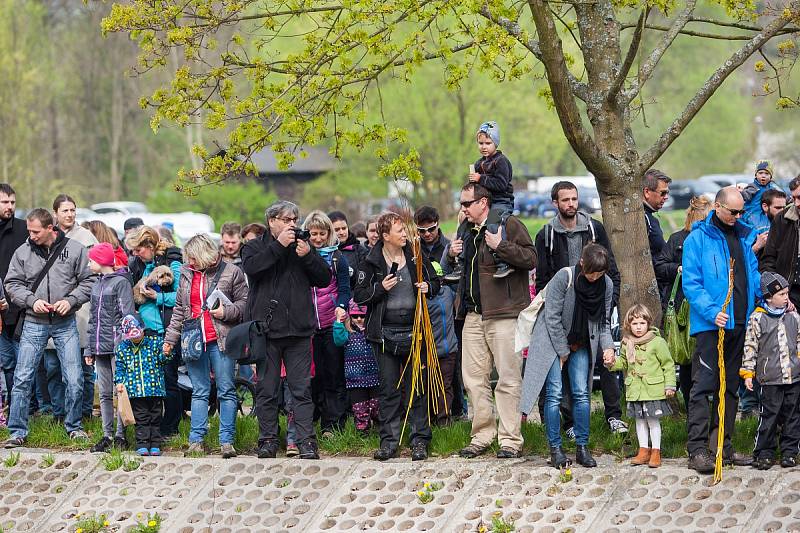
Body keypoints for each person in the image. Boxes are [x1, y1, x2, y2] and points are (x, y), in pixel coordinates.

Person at [241, 200, 331, 460]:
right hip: (267, 332)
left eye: (295, 219)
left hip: (299, 332)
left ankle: (306, 442)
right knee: (267, 390)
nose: (292, 224)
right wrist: (279, 246)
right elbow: (253, 269)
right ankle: (268, 440)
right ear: (272, 221)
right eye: (286, 219)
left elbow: (324, 278)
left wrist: (309, 257)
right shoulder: (254, 247)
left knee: (301, 391)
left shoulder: (302, 246)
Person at [534, 181, 626, 435]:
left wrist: (609, 300)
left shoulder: (594, 229)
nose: (571, 204)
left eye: (574, 199)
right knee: (567, 370)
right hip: (566, 312)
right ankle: (571, 423)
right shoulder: (546, 235)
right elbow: (543, 279)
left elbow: (611, 269)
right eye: (565, 200)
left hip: (597, 306)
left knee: (606, 361)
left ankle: (613, 416)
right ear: (555, 203)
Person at [452, 182, 536, 460]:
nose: (463, 208)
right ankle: (482, 435)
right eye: (461, 203)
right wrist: (451, 254)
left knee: (508, 379)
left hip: (504, 314)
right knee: (473, 380)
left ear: (483, 203)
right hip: (473, 314)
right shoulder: (465, 229)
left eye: (467, 203)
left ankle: (510, 439)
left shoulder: (508, 224)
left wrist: (502, 246)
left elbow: (531, 258)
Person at [683, 186, 760, 473]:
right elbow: (692, 283)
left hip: (740, 323)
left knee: (731, 390)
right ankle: (698, 449)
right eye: (733, 211)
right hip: (710, 325)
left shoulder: (744, 235)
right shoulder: (697, 239)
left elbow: (752, 275)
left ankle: (723, 447)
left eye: (741, 211)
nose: (738, 216)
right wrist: (711, 310)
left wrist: (763, 303)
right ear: (717, 207)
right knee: (704, 386)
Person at [3, 208, 95, 447]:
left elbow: (89, 281)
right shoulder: (22, 252)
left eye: (35, 231)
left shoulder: (74, 249)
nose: (31, 235)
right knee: (22, 378)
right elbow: (12, 283)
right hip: (34, 322)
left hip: (65, 323)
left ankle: (73, 426)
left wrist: (71, 300)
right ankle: (17, 432)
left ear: (50, 229)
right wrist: (33, 301)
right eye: (29, 231)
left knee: (74, 379)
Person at [354, 211, 440, 461]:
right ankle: (389, 442)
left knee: (418, 388)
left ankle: (419, 441)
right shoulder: (370, 261)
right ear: (385, 236)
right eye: (400, 230)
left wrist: (429, 287)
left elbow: (437, 280)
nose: (405, 233)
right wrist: (380, 289)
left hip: (416, 333)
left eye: (404, 229)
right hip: (383, 335)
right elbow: (359, 296)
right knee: (388, 390)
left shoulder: (415, 255)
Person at [521, 243, 613, 468]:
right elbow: (551, 318)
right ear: (582, 263)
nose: (595, 277)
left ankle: (582, 447)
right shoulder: (564, 277)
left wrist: (608, 347)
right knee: (554, 393)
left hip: (581, 341)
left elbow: (604, 323)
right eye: (592, 272)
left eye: (600, 273)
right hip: (553, 340)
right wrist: (563, 352)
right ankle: (556, 448)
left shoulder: (606, 285)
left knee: (582, 392)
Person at [164, 234, 248, 458]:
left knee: (226, 390)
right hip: (193, 340)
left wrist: (225, 312)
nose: (189, 262)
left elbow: (244, 304)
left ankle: (227, 441)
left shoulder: (231, 272)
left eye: (193, 258)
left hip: (221, 340)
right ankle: (196, 440)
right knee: (199, 391)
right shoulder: (186, 274)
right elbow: (180, 311)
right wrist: (170, 340)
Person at [652, 196, 711, 404]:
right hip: (682, 306)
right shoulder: (677, 239)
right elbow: (660, 266)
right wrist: (678, 269)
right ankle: (690, 402)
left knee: (702, 356)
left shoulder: (712, 240)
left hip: (706, 305)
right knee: (687, 358)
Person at [125, 225, 183, 437]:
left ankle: (172, 426)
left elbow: (180, 296)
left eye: (138, 249)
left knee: (168, 380)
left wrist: (156, 297)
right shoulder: (141, 264)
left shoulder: (172, 261)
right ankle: (154, 427)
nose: (136, 254)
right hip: (146, 332)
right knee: (152, 382)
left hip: (165, 331)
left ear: (149, 245)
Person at [739, 272, 800, 470]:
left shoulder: (793, 316)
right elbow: (750, 347)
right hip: (770, 379)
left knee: (792, 415)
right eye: (781, 294)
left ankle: (790, 452)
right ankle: (764, 452)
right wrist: (748, 372)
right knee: (769, 416)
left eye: (787, 293)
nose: (786, 297)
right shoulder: (757, 318)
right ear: (768, 297)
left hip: (793, 376)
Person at [604, 305, 675, 468]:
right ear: (629, 325)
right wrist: (612, 363)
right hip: (635, 390)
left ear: (648, 323)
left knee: (652, 421)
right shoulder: (626, 343)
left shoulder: (658, 342)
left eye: (642, 323)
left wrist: (669, 385)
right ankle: (644, 450)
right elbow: (623, 363)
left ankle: (656, 451)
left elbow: (668, 364)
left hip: (653, 390)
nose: (638, 327)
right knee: (639, 421)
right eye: (634, 323)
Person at [302, 210, 351, 437]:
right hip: (309, 325)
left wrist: (342, 306)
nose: (318, 238)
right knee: (316, 377)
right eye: (314, 234)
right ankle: (315, 419)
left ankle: (334, 425)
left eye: (322, 233)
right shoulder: (301, 257)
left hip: (332, 322)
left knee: (334, 374)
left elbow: (344, 288)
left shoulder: (337, 258)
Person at [447, 121, 515, 281]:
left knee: (492, 224)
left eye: (488, 143)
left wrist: (480, 178)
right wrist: (472, 186)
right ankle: (460, 264)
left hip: (500, 201)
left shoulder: (501, 161)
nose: (484, 146)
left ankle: (502, 262)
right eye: (481, 143)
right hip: (482, 203)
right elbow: (475, 188)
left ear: (495, 143)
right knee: (464, 223)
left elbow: (501, 184)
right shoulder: (478, 163)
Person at [84, 243, 135, 452]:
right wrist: (89, 349)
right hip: (99, 347)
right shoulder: (96, 285)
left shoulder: (121, 283)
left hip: (117, 347)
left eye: (91, 260)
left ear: (101, 261)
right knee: (104, 392)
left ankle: (121, 435)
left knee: (119, 391)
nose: (88, 264)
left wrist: (122, 344)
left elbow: (128, 316)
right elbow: (92, 320)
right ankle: (106, 435)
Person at [51, 194, 98, 420]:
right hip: (54, 310)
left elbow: (94, 272)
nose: (69, 214)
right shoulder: (50, 236)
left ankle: (84, 413)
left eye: (72, 210)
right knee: (54, 367)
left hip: (81, 309)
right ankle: (58, 413)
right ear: (55, 214)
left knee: (83, 367)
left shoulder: (86, 237)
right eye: (65, 211)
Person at [114, 315, 167, 456]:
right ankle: (142, 443)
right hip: (135, 391)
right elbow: (120, 367)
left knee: (155, 417)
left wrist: (167, 353)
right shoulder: (122, 348)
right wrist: (119, 382)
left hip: (155, 389)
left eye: (137, 333)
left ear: (143, 328)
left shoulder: (155, 342)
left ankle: (155, 444)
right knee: (141, 418)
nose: (136, 338)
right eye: (132, 336)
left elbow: (163, 361)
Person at [0, 184, 29, 407]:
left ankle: (22, 409)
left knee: (23, 364)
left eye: (12, 202)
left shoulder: (23, 229)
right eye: (4, 202)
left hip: (20, 309)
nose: (10, 207)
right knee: (6, 363)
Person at [333, 300, 379, 434]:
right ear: (350, 317)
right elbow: (338, 339)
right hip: (355, 379)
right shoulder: (348, 334)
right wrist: (338, 321)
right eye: (355, 316)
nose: (359, 319)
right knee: (360, 409)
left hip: (374, 376)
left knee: (376, 407)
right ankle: (362, 433)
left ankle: (379, 431)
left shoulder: (373, 332)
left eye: (362, 316)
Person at [427, 261, 459, 427]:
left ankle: (444, 422)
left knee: (445, 387)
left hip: (448, 350)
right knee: (428, 387)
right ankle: (429, 421)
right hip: (429, 351)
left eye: (440, 279)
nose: (438, 283)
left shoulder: (447, 292)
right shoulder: (421, 298)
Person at [761, 175, 800, 307]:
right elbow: (768, 260)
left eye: (799, 197)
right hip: (788, 295)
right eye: (793, 198)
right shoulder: (782, 219)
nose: (796, 203)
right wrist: (779, 292)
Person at [329, 210, 368, 290]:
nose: (341, 232)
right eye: (336, 230)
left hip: (353, 297)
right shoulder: (325, 251)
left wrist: (352, 274)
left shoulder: (359, 250)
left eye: (344, 228)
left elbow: (366, 277)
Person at [742, 160, 782, 234]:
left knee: (771, 227)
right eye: (760, 173)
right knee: (758, 229)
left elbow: (782, 195)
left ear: (771, 176)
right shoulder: (753, 187)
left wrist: (789, 199)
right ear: (756, 175)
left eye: (767, 173)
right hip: (752, 213)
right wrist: (741, 194)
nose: (763, 176)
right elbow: (744, 196)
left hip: (765, 214)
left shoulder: (773, 187)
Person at [642, 169, 672, 259]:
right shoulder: (642, 218)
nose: (666, 197)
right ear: (647, 192)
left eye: (667, 193)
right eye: (663, 193)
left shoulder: (649, 217)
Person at [751, 189, 787, 258]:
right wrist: (757, 246)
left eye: (784, 208)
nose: (783, 212)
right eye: (778, 208)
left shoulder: (788, 222)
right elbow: (741, 258)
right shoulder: (752, 226)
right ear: (765, 207)